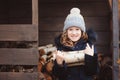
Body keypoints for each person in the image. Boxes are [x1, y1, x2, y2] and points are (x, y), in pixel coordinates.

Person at [52, 7, 98, 80]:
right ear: (66, 31)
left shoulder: (88, 46)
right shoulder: (61, 47)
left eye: (77, 29)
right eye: (70, 29)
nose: (74, 33)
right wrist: (59, 64)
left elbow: (93, 72)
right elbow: (57, 74)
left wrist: (90, 57)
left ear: (82, 31)